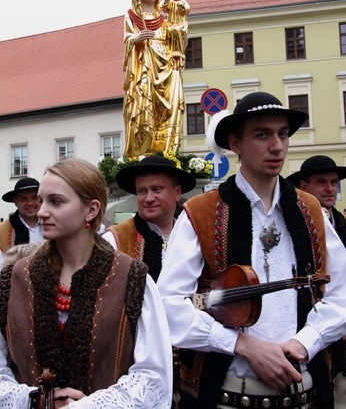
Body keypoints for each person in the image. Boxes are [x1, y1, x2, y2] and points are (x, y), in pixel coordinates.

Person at [157, 91, 346, 409]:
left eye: (282, 134)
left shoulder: (310, 210)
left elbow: (341, 293)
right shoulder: (201, 212)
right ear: (235, 143)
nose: (277, 146)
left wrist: (305, 341)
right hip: (229, 397)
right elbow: (168, 306)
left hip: (307, 394)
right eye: (262, 134)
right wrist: (241, 344)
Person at [0, 158, 173, 408]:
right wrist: (32, 399)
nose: (41, 211)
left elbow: (153, 379)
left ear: (91, 210)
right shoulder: (13, 278)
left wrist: (85, 406)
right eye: (41, 200)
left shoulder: (132, 278)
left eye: (55, 201)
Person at [103, 155, 196, 408]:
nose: (148, 197)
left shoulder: (194, 234)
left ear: (177, 192)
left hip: (193, 364)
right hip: (137, 364)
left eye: (157, 189)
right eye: (142, 191)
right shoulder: (116, 240)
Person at [286, 155, 346, 408]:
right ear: (304, 186)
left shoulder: (342, 224)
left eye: (334, 182)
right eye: (322, 182)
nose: (330, 188)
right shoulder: (296, 225)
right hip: (308, 331)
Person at [123, 0, 185, 157]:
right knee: (142, 107)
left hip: (167, 70)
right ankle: (143, 151)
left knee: (173, 106)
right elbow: (127, 41)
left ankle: (167, 151)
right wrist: (137, 38)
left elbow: (177, 44)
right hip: (145, 70)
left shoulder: (165, 19)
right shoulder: (131, 17)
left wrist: (178, 35)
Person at [0, 177, 44, 268]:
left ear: (41, 199)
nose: (30, 203)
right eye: (23, 198)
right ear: (15, 201)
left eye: (34, 197)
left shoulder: (55, 224)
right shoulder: (2, 231)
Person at [162, 0, 190, 69]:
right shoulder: (170, 2)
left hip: (180, 24)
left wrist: (182, 8)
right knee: (170, 30)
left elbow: (187, 9)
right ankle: (171, 49)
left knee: (177, 30)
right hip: (171, 23)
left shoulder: (183, 2)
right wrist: (166, 0)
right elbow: (164, 9)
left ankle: (178, 49)